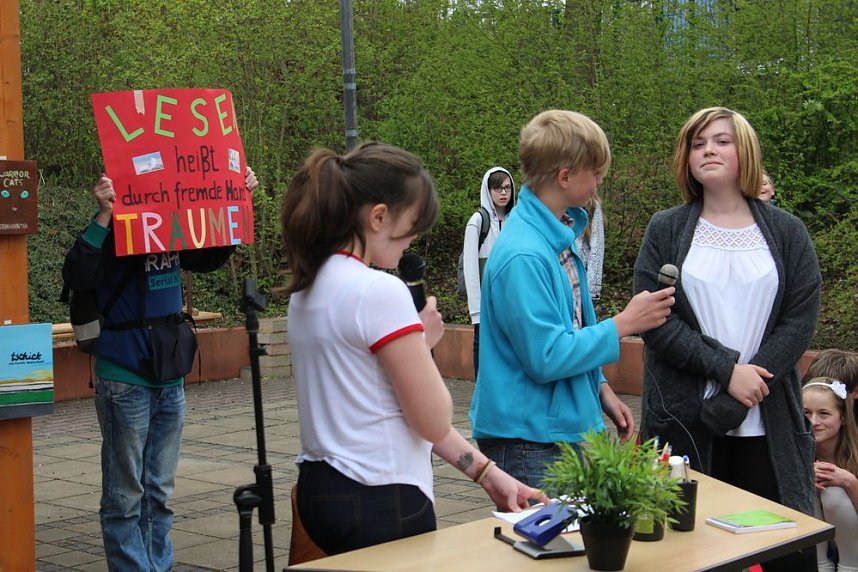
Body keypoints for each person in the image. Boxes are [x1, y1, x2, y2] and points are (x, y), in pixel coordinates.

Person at [280, 142, 547, 556]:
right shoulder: (378, 292)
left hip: (323, 490)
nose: (415, 238)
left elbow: (385, 405)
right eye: (412, 223)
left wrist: (488, 474)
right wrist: (423, 343)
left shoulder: (308, 286)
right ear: (379, 216)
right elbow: (432, 416)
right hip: (381, 498)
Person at [634, 107, 821, 571]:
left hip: (767, 425)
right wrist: (726, 372)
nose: (708, 150)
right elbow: (654, 320)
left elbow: (799, 321)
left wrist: (746, 388)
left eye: (721, 141)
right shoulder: (667, 229)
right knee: (686, 555)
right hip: (685, 425)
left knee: (781, 551)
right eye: (698, 144)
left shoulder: (787, 232)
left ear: (746, 151)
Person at [61, 166, 259, 571]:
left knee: (159, 491)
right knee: (124, 493)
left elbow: (210, 254)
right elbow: (77, 273)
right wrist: (104, 214)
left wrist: (235, 198)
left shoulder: (172, 223)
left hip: (169, 375)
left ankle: (158, 565)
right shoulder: (114, 226)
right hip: (124, 375)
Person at [469, 110, 675, 487]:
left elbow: (573, 323)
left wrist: (598, 387)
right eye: (594, 174)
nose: (599, 182)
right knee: (556, 544)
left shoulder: (556, 234)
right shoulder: (525, 255)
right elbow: (546, 355)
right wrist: (624, 324)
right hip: (530, 440)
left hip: (554, 429)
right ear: (565, 176)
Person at [463, 167, 515, 378]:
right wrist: (476, 310)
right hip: (486, 305)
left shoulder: (517, 221)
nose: (503, 193)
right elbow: (470, 267)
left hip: (512, 304)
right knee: (483, 352)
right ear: (488, 190)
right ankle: (481, 398)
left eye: (507, 188)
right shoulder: (477, 221)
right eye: (497, 188)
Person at [802, 377, 858, 571]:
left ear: (842, 417)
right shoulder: (790, 455)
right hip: (812, 552)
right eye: (806, 413)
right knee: (810, 488)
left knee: (833, 491)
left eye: (824, 414)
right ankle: (819, 566)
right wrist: (803, 475)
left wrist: (850, 482)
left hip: (852, 551)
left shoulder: (855, 453)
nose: (813, 422)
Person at [575, 194, 605, 301]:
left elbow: (597, 247)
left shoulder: (591, 206)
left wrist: (592, 290)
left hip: (581, 277)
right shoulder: (555, 203)